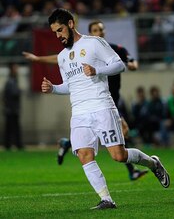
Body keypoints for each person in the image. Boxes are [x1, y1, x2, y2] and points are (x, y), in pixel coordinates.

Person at [41, 8, 170, 210]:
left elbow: (119, 65)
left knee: (119, 156)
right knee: (84, 155)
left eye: (60, 30)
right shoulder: (61, 57)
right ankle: (106, 199)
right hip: (79, 113)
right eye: (55, 32)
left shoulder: (94, 43)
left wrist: (97, 70)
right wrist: (53, 88)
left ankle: (153, 163)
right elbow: (70, 85)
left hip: (101, 106)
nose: (58, 36)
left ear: (71, 24)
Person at [23, 20, 148, 181]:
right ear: (90, 32)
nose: (99, 32)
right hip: (90, 103)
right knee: (114, 137)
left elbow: (128, 62)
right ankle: (127, 174)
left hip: (109, 100)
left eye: (101, 29)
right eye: (95, 30)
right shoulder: (80, 49)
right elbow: (61, 58)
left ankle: (69, 143)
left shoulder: (113, 48)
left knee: (119, 143)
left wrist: (132, 65)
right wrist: (39, 61)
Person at [3, 63, 23, 150]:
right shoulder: (11, 81)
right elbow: (13, 94)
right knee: (12, 128)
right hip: (11, 109)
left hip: (12, 109)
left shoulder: (13, 80)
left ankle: (11, 144)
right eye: (15, 68)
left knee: (12, 128)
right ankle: (14, 144)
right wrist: (19, 91)